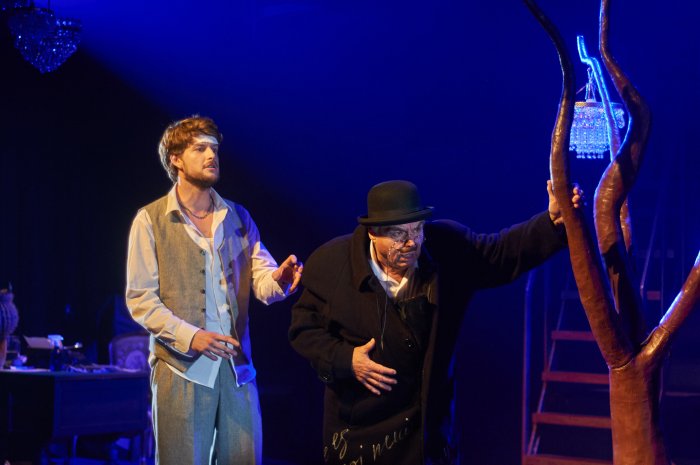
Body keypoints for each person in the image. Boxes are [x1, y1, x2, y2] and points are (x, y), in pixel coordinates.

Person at [288, 179, 582, 465]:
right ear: (373, 233)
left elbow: (501, 252)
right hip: (362, 436)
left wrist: (552, 222)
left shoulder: (446, 248)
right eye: (398, 234)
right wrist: (345, 359)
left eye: (417, 229)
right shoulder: (332, 265)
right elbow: (303, 328)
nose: (411, 242)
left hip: (429, 436)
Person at [126, 115, 302, 464]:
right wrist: (191, 336)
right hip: (182, 369)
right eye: (200, 149)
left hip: (238, 370)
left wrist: (280, 280)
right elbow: (141, 299)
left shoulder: (238, 216)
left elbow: (262, 279)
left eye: (215, 149)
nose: (211, 156)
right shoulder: (151, 219)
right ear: (176, 159)